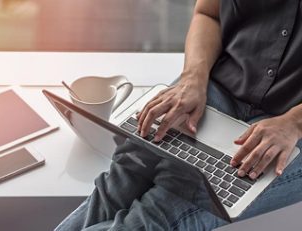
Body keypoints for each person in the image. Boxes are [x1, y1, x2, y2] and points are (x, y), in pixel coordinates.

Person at [55, 0, 302, 230]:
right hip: (217, 85)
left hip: (292, 124)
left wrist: (294, 122)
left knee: (161, 214)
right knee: (123, 178)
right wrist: (192, 77)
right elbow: (208, 13)